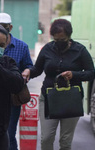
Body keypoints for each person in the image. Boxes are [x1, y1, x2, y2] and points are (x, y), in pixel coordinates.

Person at [27, 19, 95, 150]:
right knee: (46, 138)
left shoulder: (80, 50)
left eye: (62, 40)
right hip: (48, 98)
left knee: (65, 141)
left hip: (71, 99)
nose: (58, 43)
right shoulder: (47, 49)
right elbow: (37, 69)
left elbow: (91, 73)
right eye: (56, 40)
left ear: (69, 36)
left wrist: (74, 74)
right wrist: (27, 72)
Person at [0, 12, 33, 150]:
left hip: (12, 97)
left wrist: (28, 71)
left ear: (10, 27)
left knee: (9, 134)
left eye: (5, 26)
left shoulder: (22, 46)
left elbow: (29, 65)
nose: (3, 29)